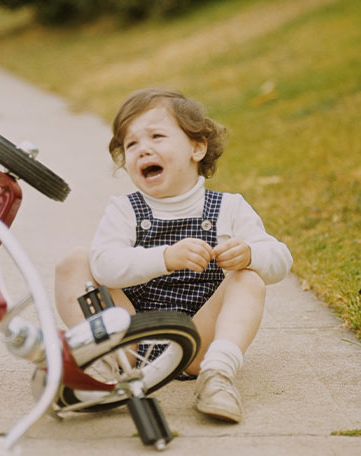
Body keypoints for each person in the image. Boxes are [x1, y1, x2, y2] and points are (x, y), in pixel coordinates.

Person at [55, 88, 292, 423]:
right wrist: (165, 257)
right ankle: (104, 365)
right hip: (130, 342)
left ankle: (217, 375)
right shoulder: (124, 210)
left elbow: (282, 259)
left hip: (195, 346)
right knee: (76, 262)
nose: (142, 149)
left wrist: (250, 253)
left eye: (156, 136)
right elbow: (105, 266)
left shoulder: (229, 208)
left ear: (197, 147)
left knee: (249, 278)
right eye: (131, 144)